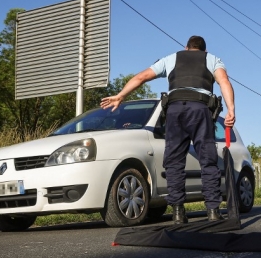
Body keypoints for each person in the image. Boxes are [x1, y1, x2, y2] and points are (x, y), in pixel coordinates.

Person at [100, 36, 235, 224]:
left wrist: (121, 95)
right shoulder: (212, 59)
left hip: (175, 110)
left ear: (186, 48)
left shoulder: (172, 58)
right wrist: (231, 109)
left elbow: (141, 77)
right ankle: (213, 211)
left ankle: (178, 213)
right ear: (204, 51)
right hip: (199, 109)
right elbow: (224, 82)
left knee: (174, 162)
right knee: (208, 160)